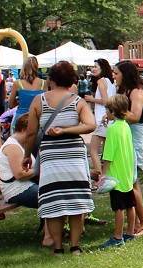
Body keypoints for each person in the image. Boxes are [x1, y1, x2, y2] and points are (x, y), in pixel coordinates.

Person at [27, 61, 96, 255]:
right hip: (74, 154)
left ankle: (57, 247)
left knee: (53, 201)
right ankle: (75, 246)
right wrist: (67, 130)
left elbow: (31, 132)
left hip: (50, 155)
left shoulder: (39, 100)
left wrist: (26, 155)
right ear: (72, 80)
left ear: (51, 79)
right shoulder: (78, 101)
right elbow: (90, 125)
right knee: (76, 200)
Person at [114, 61, 143, 234]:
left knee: (131, 182)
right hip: (127, 137)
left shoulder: (137, 92)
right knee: (130, 180)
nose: (114, 76)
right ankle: (137, 221)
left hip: (135, 138)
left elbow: (135, 116)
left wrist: (115, 111)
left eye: (117, 73)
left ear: (126, 74)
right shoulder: (126, 91)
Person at [98, 94, 138, 248]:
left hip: (116, 174)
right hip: (127, 171)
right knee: (130, 204)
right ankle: (130, 233)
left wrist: (103, 173)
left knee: (118, 207)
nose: (106, 112)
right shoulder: (125, 125)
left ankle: (117, 237)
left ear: (113, 111)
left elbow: (108, 154)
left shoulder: (112, 129)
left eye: (107, 110)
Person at [0, 113, 39, 210]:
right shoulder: (13, 146)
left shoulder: (23, 143)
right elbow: (20, 174)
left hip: (28, 184)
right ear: (24, 130)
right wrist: (40, 169)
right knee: (51, 196)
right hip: (16, 190)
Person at [84, 58, 117, 178]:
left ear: (102, 68)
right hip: (109, 119)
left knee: (92, 150)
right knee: (107, 151)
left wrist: (91, 99)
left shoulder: (101, 81)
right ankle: (107, 174)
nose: (93, 69)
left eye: (95, 66)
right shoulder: (110, 82)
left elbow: (105, 100)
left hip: (102, 120)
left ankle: (99, 175)